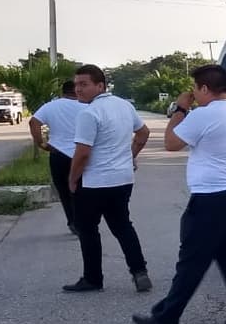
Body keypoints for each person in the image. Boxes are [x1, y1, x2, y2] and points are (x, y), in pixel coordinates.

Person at [131, 65, 226, 324]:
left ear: (205, 88)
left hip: (212, 198)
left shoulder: (205, 114)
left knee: (192, 259)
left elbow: (170, 143)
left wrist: (179, 110)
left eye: (195, 89)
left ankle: (167, 317)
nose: (193, 94)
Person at [65, 64, 152, 294]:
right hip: (122, 180)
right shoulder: (124, 105)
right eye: (76, 85)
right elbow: (143, 133)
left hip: (94, 182)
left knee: (88, 229)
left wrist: (72, 179)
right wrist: (130, 155)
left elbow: (82, 153)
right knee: (123, 226)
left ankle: (93, 279)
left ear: (100, 85)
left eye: (84, 84)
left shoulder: (89, 113)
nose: (78, 90)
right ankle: (139, 272)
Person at [29, 80, 83, 235]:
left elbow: (34, 122)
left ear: (63, 91)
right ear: (77, 90)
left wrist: (42, 144)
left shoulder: (50, 106)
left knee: (64, 191)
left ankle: (72, 221)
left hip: (58, 154)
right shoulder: (87, 106)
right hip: (81, 155)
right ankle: (83, 221)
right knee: (82, 190)